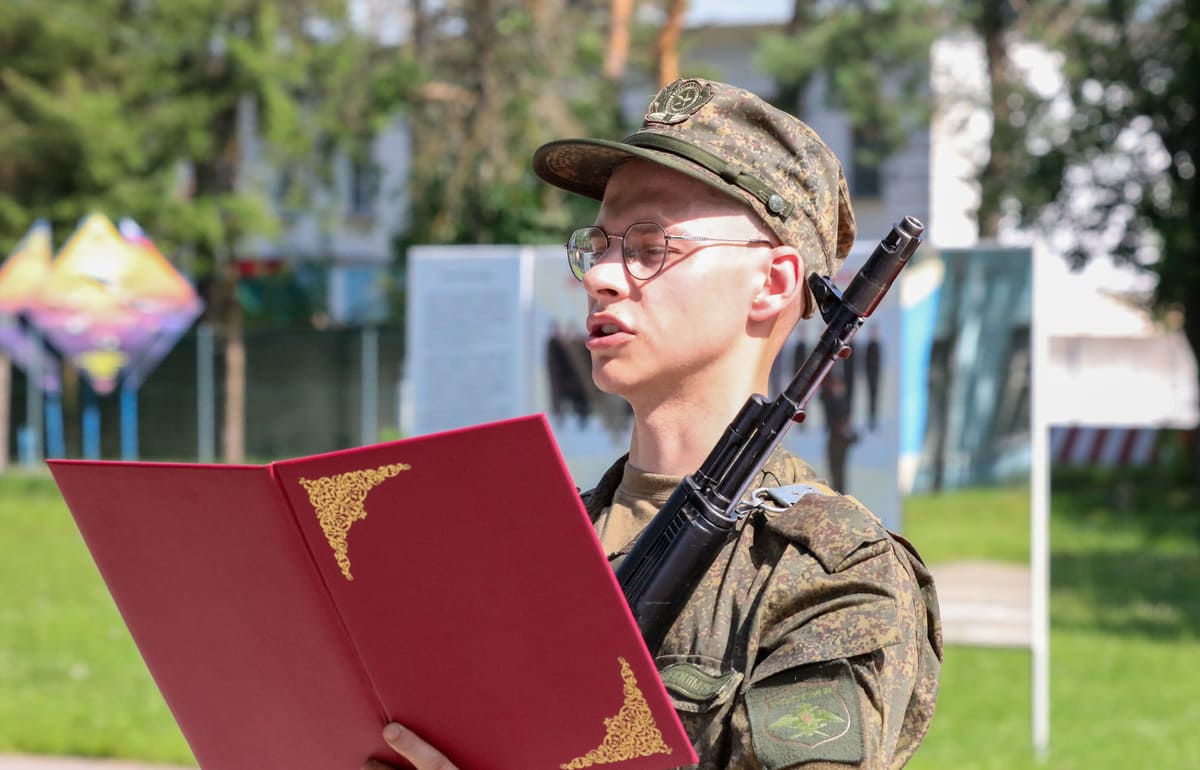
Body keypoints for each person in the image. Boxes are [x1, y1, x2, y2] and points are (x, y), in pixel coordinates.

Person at [364, 77, 942, 770]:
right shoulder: (541, 543)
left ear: (774, 282)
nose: (601, 275)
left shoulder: (825, 575)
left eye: (648, 244)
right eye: (598, 243)